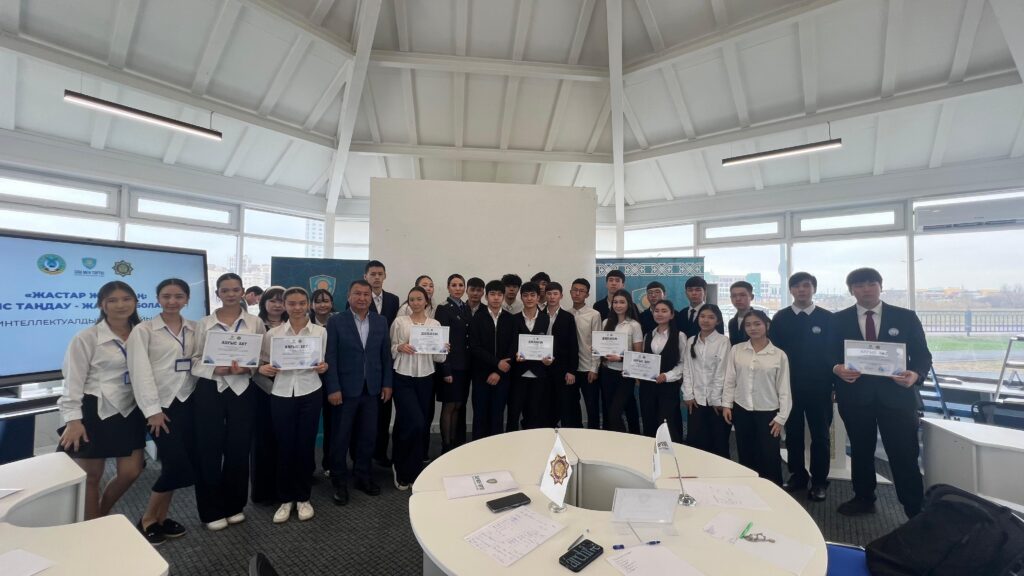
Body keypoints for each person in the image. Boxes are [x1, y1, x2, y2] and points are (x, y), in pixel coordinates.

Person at [830, 267, 931, 518]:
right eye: (859, 285)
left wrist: (915, 375)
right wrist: (836, 368)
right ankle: (864, 497)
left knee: (904, 452)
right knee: (860, 450)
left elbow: (922, 355)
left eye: (871, 284)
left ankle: (914, 507)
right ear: (851, 290)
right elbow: (827, 354)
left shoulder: (905, 317)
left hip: (898, 397)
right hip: (855, 397)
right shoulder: (838, 319)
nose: (866, 289)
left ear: (880, 286)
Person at [57, 281, 146, 521]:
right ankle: (93, 523)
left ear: (135, 302)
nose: (120, 305)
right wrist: (73, 421)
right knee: (91, 478)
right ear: (101, 305)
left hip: (131, 408)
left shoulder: (143, 333)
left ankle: (102, 513)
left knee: (131, 471)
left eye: (126, 299)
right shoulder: (87, 337)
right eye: (112, 300)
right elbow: (72, 381)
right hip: (95, 409)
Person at [191, 273, 265, 531]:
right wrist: (214, 369)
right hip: (211, 388)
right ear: (218, 294)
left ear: (243, 292)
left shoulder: (255, 322)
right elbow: (194, 359)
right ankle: (211, 510)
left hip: (242, 389)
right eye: (225, 290)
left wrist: (248, 368)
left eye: (235, 289)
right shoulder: (204, 323)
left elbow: (262, 357)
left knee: (238, 449)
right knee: (209, 449)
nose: (231, 294)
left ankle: (234, 506)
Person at [127, 278, 199, 545]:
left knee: (173, 464)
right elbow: (139, 372)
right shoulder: (144, 330)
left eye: (178, 296)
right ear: (157, 299)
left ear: (187, 299)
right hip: (160, 406)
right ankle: (147, 519)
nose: (172, 301)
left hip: (188, 402)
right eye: (166, 296)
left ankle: (161, 518)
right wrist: (152, 411)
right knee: (177, 465)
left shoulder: (194, 328)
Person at [257, 287, 328, 524]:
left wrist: (324, 367)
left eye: (301, 303)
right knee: (284, 446)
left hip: (310, 391)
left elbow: (322, 362)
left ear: (308, 304)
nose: (297, 308)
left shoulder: (320, 332)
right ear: (285, 306)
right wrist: (263, 368)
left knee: (305, 446)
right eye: (292, 303)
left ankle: (303, 498)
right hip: (281, 393)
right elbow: (262, 363)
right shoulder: (273, 334)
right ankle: (285, 499)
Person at [324, 280, 393, 505]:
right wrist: (333, 387)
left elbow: (385, 356)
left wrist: (387, 384)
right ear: (349, 296)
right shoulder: (336, 321)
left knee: (368, 436)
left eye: (366, 294)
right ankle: (339, 481)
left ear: (371, 297)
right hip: (344, 390)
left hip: (372, 389)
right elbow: (330, 357)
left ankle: (363, 475)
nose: (362, 298)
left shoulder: (381, 321)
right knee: (340, 438)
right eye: (357, 293)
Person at [770, 272, 834, 502]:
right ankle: (798, 475)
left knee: (820, 436)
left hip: (820, 388)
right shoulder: (780, 318)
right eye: (796, 286)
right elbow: (774, 354)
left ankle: (819, 481)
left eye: (806, 286)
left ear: (813, 289)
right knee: (793, 434)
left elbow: (834, 353)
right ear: (791, 291)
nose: (801, 290)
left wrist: (834, 386)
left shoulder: (827, 318)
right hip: (789, 388)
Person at [390, 287, 449, 489]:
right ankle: (400, 466)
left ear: (426, 302)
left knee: (419, 424)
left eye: (419, 299)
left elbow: (438, 358)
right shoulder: (400, 322)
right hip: (403, 376)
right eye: (412, 299)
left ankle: (413, 469)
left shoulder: (435, 324)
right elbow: (390, 348)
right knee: (413, 422)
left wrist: (443, 349)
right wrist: (399, 347)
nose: (415, 303)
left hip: (426, 377)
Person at [722, 310, 791, 485]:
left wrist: (781, 417)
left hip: (768, 413)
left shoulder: (779, 355)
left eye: (757, 324)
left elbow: (784, 389)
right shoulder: (737, 350)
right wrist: (726, 404)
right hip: (742, 409)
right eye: (748, 325)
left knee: (769, 455)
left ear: (766, 325)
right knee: (745, 453)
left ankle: (773, 491)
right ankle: (748, 488)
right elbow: (730, 380)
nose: (752, 328)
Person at [362, 260, 399, 469]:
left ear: (385, 276)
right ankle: (363, 456)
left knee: (384, 412)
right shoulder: (359, 298)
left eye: (380, 274)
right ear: (365, 276)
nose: (376, 277)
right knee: (365, 414)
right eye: (372, 274)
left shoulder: (393, 300)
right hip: (365, 361)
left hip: (387, 359)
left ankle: (381, 453)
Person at [252, 287, 287, 506]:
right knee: (263, 440)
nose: (277, 305)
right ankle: (263, 491)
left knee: (284, 439)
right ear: (264, 303)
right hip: (262, 388)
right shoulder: (255, 325)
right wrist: (258, 368)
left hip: (288, 388)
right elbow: (244, 355)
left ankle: (284, 487)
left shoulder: (293, 325)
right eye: (272, 301)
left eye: (281, 301)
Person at [683, 304, 731, 459]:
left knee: (718, 442)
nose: (705, 320)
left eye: (711, 317)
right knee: (695, 441)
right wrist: (688, 394)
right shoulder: (691, 340)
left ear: (718, 321)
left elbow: (722, 372)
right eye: (702, 316)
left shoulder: (723, 341)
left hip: (717, 402)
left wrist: (716, 399)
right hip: (696, 400)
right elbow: (687, 369)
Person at [469, 280, 516, 439]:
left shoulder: (510, 319)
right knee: (480, 415)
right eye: (492, 294)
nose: (496, 298)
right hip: (481, 375)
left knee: (498, 415)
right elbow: (475, 347)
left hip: (502, 375)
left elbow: (513, 347)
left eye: (499, 294)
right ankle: (478, 450)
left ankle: (497, 450)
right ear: (486, 296)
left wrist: (499, 371)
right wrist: (497, 363)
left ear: (503, 296)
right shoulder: (477, 318)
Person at [434, 274, 471, 453]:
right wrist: (445, 369)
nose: (458, 288)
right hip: (450, 365)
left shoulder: (466, 308)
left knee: (458, 405)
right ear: (448, 287)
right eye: (454, 285)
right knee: (449, 405)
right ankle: (446, 445)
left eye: (460, 285)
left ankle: (454, 443)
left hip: (464, 365)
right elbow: (441, 341)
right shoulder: (443, 309)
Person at [638, 300, 684, 442]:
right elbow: (643, 360)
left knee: (667, 421)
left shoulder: (680, 336)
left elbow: (683, 364)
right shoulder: (648, 335)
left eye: (664, 311)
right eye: (656, 311)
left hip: (668, 386)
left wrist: (667, 376)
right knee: (649, 419)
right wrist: (633, 371)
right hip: (647, 386)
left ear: (672, 315)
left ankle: (674, 451)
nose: (659, 314)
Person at [600, 289, 644, 434]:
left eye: (622, 302)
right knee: (614, 409)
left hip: (625, 375)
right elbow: (602, 346)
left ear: (628, 304)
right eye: (615, 302)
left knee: (615, 412)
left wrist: (621, 358)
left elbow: (638, 354)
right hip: (607, 372)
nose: (618, 305)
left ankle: (625, 440)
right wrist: (597, 349)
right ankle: (628, 437)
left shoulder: (634, 325)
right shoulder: (606, 322)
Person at [508, 282, 551, 431]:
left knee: (534, 413)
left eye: (533, 295)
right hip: (518, 372)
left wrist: (549, 359)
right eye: (525, 295)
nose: (529, 298)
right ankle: (511, 442)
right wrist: (514, 356)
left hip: (539, 373)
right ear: (521, 298)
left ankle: (532, 442)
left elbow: (551, 343)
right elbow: (511, 344)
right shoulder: (513, 319)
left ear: (538, 297)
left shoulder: (546, 319)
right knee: (513, 412)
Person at [543, 282, 581, 428]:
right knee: (545, 406)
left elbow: (573, 345)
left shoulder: (568, 317)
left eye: (555, 294)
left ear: (561, 296)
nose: (552, 297)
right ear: (545, 295)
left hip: (563, 369)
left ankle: (567, 435)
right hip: (542, 368)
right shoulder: (538, 315)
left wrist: (571, 370)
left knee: (565, 406)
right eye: (549, 294)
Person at [309, 288, 336, 475]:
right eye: (318, 301)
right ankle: (307, 466)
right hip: (309, 380)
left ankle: (329, 463)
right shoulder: (304, 323)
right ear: (311, 305)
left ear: (331, 303)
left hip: (332, 381)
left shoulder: (338, 322)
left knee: (332, 425)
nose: (322, 305)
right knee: (308, 426)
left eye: (326, 301)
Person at [727, 281, 755, 345]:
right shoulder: (732, 323)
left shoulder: (761, 320)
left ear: (751, 297)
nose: (738, 299)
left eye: (742, 295)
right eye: (734, 296)